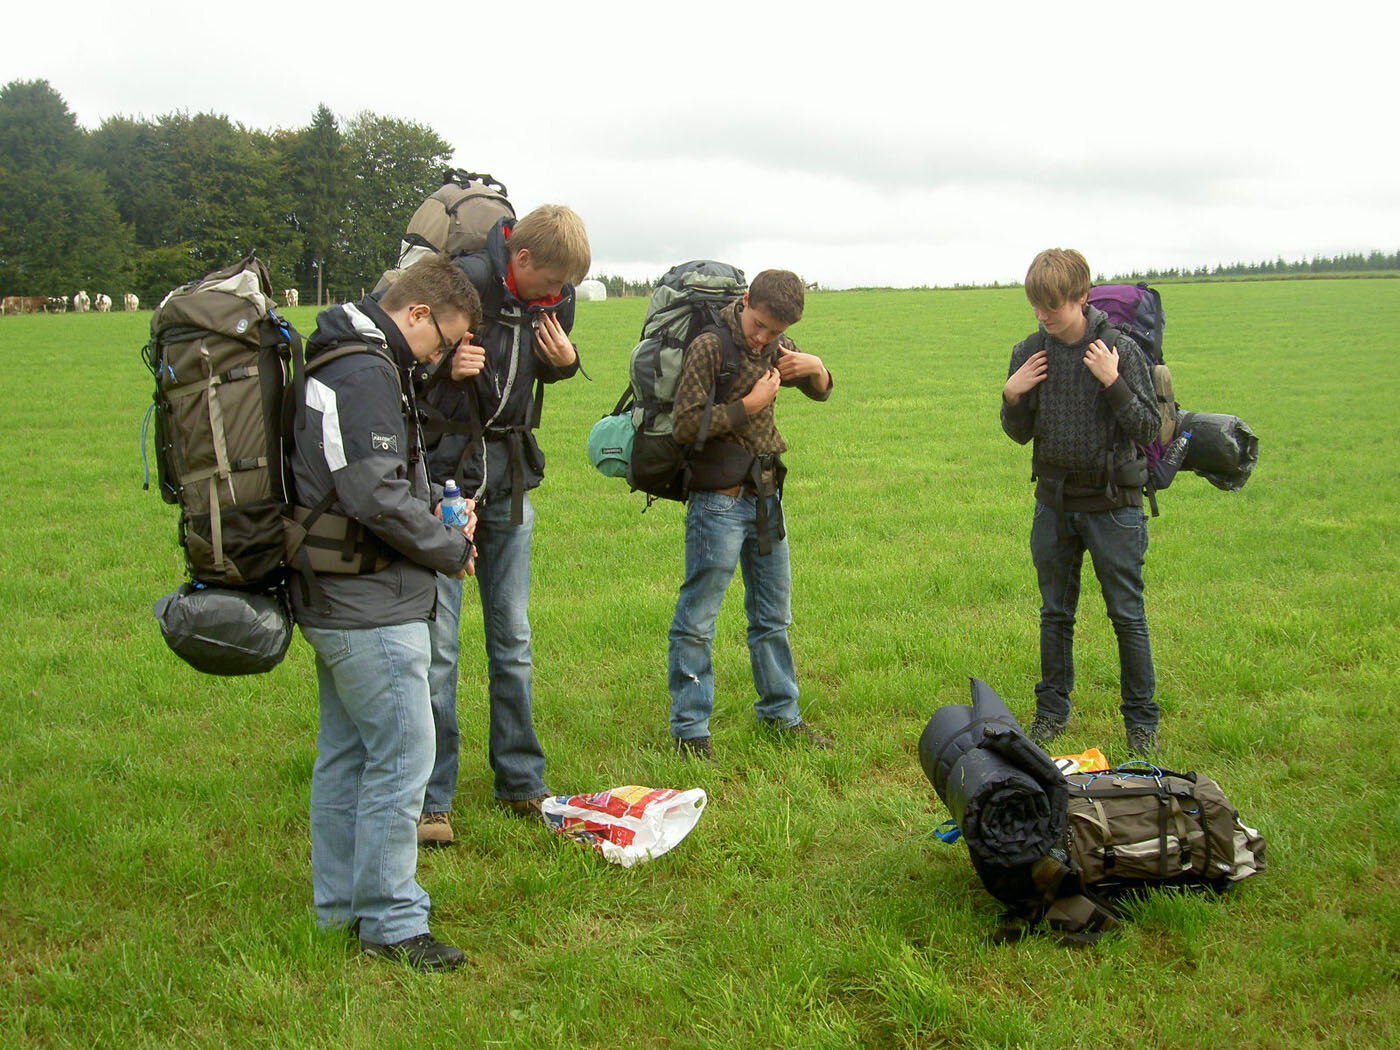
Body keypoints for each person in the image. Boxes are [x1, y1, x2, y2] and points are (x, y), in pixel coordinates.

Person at [289, 254, 480, 971]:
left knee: (347, 757)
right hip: (367, 601)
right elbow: (372, 493)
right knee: (403, 757)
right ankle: (393, 922)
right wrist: (447, 546)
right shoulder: (366, 372)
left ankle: (339, 909)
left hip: (334, 591)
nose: (436, 358)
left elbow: (371, 479)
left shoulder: (344, 356)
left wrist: (433, 507)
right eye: (440, 341)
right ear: (418, 313)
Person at [417, 204, 591, 843]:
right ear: (520, 258)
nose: (558, 295)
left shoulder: (556, 299)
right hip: (445, 485)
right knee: (439, 651)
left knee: (512, 641)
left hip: (511, 481)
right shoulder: (461, 282)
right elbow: (397, 366)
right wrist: (441, 367)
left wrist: (566, 362)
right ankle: (431, 800)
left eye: (565, 287)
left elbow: (534, 372)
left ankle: (520, 780)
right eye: (551, 281)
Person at [1000, 248, 1163, 757]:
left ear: (1082, 297)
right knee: (1055, 613)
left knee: (1126, 615)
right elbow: (1019, 434)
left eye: (1052, 306)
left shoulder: (1119, 350)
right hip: (1053, 503)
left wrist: (1113, 382)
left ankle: (1141, 722)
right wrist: (1012, 395)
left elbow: (1148, 428)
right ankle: (1051, 713)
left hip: (1114, 506)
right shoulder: (1030, 351)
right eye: (1035, 304)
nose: (1042, 315)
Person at [666, 269, 834, 761]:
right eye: (758, 325)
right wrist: (749, 404)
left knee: (773, 616)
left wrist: (817, 368)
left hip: (765, 496)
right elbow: (684, 424)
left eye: (775, 332)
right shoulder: (710, 345)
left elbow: (819, 389)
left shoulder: (776, 345)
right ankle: (690, 731)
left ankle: (781, 717)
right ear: (745, 301)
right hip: (716, 501)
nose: (763, 338)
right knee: (698, 620)